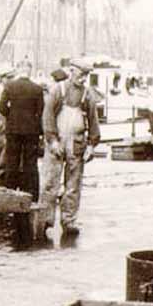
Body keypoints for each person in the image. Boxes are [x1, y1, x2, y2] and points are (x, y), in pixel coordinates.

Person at [41, 60, 100, 236]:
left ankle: (69, 220)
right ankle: (45, 219)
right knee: (50, 183)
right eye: (81, 74)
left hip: (77, 142)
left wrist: (91, 145)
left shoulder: (87, 94)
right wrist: (52, 140)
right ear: (72, 71)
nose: (83, 79)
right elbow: (48, 116)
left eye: (86, 75)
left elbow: (93, 120)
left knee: (73, 185)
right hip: (57, 141)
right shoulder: (57, 90)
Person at [0, 62, 44, 201]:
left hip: (13, 129)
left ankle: (10, 193)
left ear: (18, 70)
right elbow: (41, 111)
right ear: (30, 71)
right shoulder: (37, 89)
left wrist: (11, 115)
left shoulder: (9, 86)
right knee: (31, 163)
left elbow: (1, 107)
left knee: (12, 161)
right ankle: (31, 195)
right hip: (31, 130)